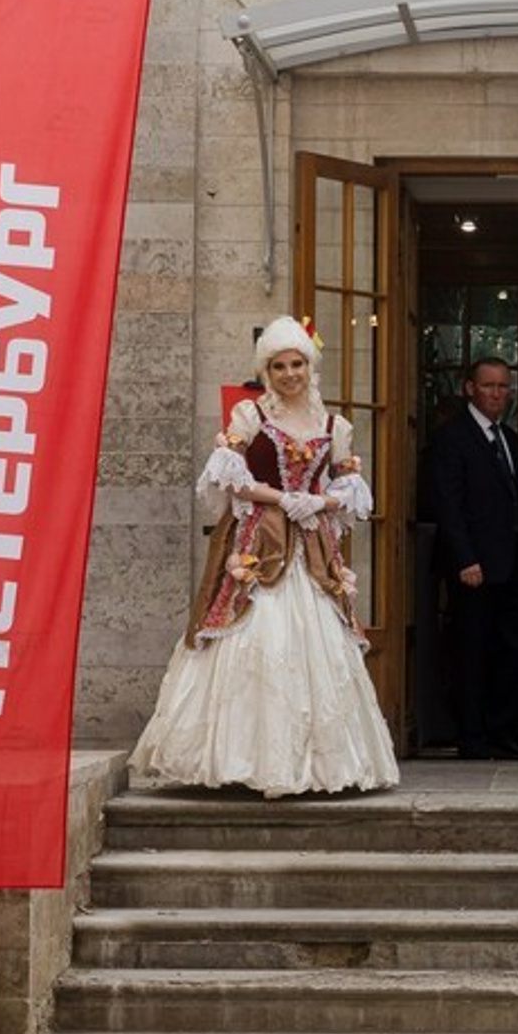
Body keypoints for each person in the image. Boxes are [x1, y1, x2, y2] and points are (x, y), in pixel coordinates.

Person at [130, 315, 399, 797]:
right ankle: (242, 759)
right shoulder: (250, 416)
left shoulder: (335, 426)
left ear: (310, 367)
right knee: (253, 634)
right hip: (261, 540)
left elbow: (352, 490)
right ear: (266, 371)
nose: (290, 374)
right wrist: (280, 498)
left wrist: (318, 501)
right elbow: (228, 477)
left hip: (311, 545)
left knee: (318, 646)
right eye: (279, 366)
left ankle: (315, 765)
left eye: (297, 364)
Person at [428, 355, 518, 758]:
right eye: (488, 386)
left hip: (515, 563)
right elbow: (448, 505)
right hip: (475, 567)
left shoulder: (510, 439)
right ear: (470, 389)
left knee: (516, 648)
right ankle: (472, 736)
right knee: (472, 650)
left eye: (503, 387)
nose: (497, 394)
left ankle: (504, 729)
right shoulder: (451, 437)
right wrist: (465, 559)